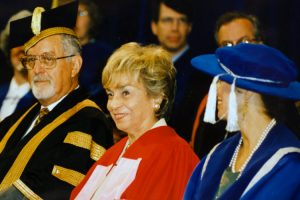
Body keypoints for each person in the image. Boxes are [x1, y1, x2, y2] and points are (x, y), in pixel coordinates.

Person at [0, 2, 113, 199]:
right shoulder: (17, 119)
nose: (37, 69)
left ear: (75, 65)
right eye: (31, 60)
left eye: (48, 59)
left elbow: (58, 190)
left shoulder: (89, 121)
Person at [70, 42, 199, 200]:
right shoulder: (112, 154)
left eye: (125, 93)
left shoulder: (173, 153)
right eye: (110, 94)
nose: (113, 104)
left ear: (157, 97)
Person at [184, 43, 300, 199]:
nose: (215, 89)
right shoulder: (218, 154)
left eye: (221, 81)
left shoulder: (288, 166)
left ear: (246, 92)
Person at [191, 12, 264, 158]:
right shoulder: (210, 103)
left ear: (261, 44)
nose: (235, 52)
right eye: (227, 45)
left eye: (244, 42)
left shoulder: (276, 101)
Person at [151, 0, 211, 142]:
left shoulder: (201, 72)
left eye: (181, 21)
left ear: (189, 27)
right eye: (167, 20)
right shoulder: (142, 67)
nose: (174, 28)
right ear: (154, 26)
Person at [74, 0, 114, 109]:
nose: (75, 19)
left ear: (92, 19)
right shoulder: (61, 53)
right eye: (73, 14)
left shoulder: (104, 53)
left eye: (81, 13)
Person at [0, 10, 36, 122]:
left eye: (28, 41)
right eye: (16, 41)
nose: (21, 49)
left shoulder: (42, 98)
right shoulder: (1, 91)